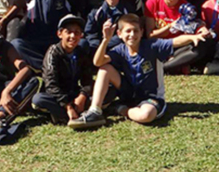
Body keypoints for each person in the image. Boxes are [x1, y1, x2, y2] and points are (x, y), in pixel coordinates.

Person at [68, 14, 205, 129]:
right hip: (129, 93)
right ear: (119, 34)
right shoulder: (119, 50)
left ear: (141, 32)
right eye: (128, 31)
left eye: (135, 31)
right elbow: (97, 62)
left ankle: (120, 109)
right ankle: (95, 111)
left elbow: (174, 41)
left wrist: (192, 37)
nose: (132, 35)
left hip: (150, 98)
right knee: (105, 69)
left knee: (146, 116)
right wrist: (105, 40)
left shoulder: (152, 46)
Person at [31, 15, 95, 124]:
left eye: (77, 32)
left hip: (74, 93)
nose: (72, 36)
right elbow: (51, 84)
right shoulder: (53, 53)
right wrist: (68, 106)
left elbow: (87, 79)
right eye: (68, 32)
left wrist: (82, 96)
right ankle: (70, 113)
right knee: (38, 99)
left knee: (107, 92)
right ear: (60, 34)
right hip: (57, 96)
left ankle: (64, 114)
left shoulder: (81, 52)